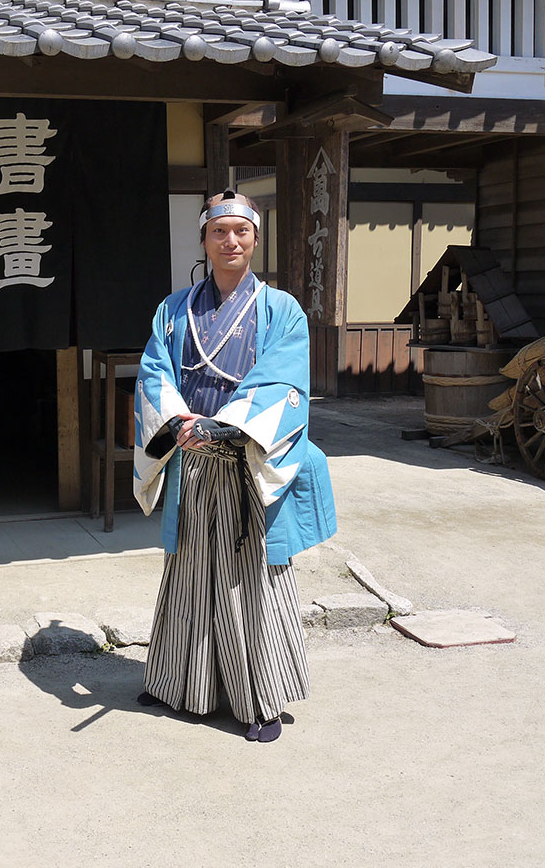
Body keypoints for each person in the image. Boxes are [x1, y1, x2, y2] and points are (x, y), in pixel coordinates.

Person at [132, 190, 337, 743]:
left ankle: (258, 699)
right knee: (191, 574)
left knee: (252, 581)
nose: (230, 241)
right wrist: (178, 424)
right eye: (219, 231)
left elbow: (285, 379)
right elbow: (155, 374)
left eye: (240, 232)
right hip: (192, 459)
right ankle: (181, 684)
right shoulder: (173, 311)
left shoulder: (282, 310)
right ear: (204, 239)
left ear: (254, 239)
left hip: (247, 457)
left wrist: (226, 426)